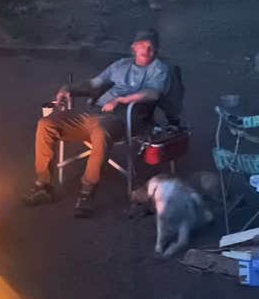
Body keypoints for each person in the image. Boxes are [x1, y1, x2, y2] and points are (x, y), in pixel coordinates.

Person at [23, 27, 171, 218]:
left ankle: (86, 193)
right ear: (133, 47)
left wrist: (121, 100)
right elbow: (93, 84)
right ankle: (43, 186)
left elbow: (153, 93)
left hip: (125, 118)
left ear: (156, 49)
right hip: (94, 113)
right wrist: (69, 88)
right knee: (46, 124)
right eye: (142, 43)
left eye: (151, 45)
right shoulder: (121, 65)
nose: (146, 48)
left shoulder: (159, 69)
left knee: (101, 132)